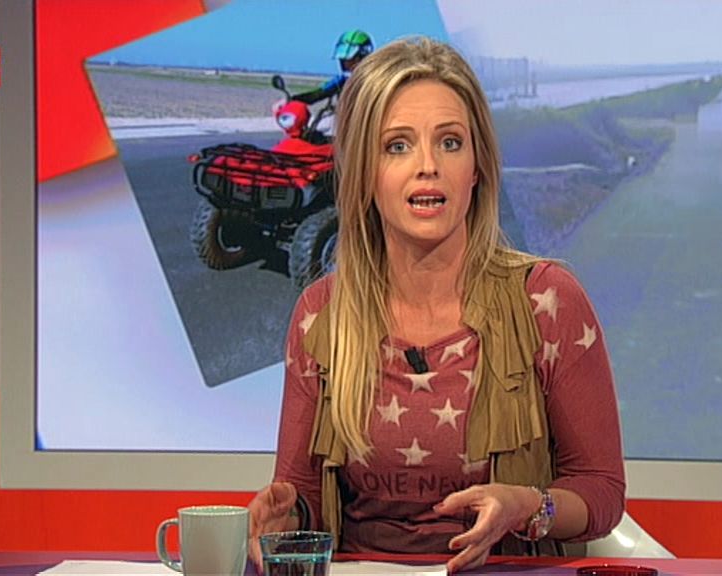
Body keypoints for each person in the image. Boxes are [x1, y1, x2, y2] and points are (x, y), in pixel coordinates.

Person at [248, 37, 625, 573]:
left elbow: (602, 492)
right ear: (364, 171)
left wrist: (527, 506)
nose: (428, 166)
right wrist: (282, 521)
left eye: (450, 142)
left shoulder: (547, 301)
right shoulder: (320, 314)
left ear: (477, 166)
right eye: (397, 146)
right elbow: (302, 493)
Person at [291, 29, 374, 105]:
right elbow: (318, 94)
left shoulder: (373, 82)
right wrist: (294, 99)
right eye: (343, 60)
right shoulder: (342, 80)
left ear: (362, 57)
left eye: (349, 60)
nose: (345, 63)